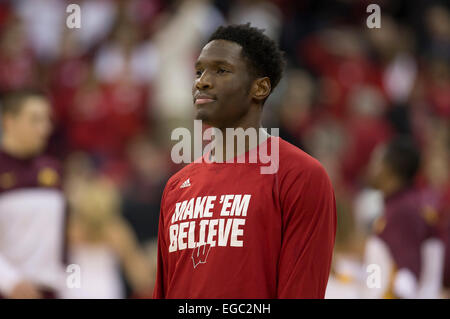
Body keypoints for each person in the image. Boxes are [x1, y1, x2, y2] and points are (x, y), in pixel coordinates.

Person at [153, 24, 336, 299]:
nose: (202, 81)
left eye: (221, 70)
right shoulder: (176, 187)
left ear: (260, 87)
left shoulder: (300, 175)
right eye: (199, 71)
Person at [0, 89, 67, 298]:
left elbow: (62, 242)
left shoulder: (53, 169)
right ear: (9, 121)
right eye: (35, 120)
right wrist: (10, 283)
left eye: (47, 120)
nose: (45, 128)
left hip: (50, 291)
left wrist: (71, 283)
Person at [363, 136, 445, 298]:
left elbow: (407, 278)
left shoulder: (403, 211)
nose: (369, 168)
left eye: (376, 162)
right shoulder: (400, 205)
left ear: (389, 169)